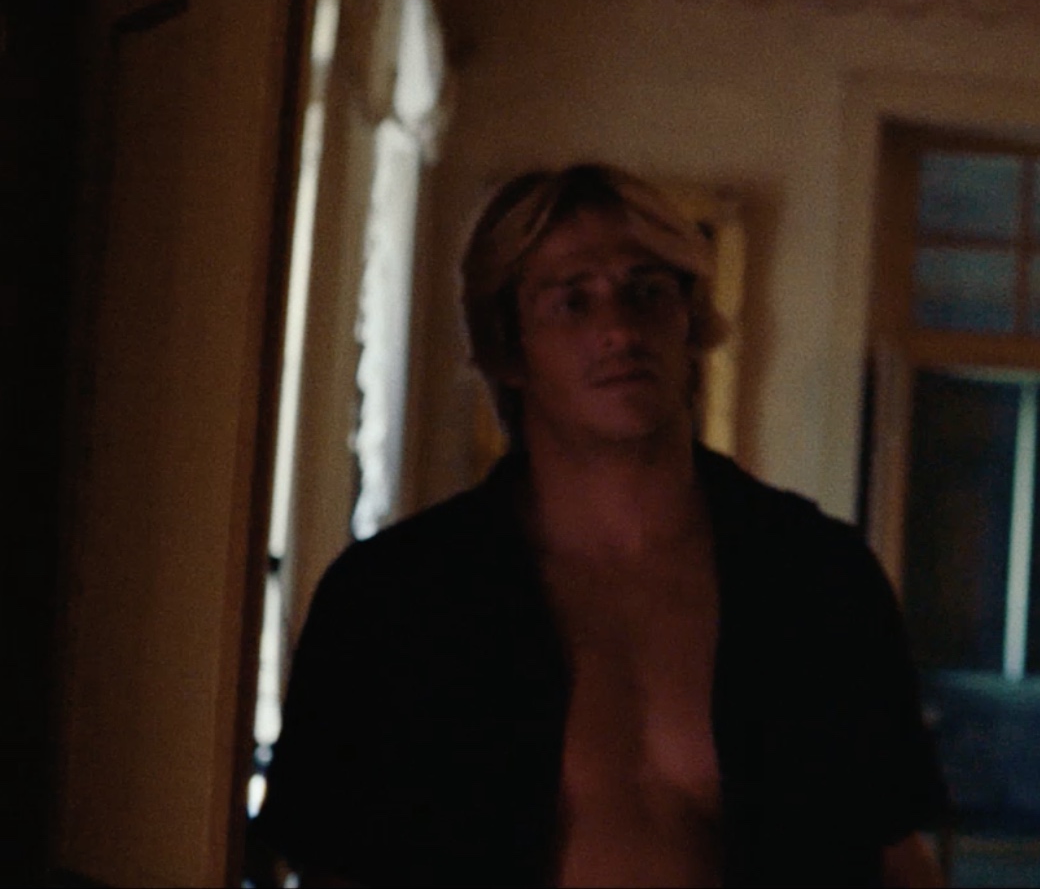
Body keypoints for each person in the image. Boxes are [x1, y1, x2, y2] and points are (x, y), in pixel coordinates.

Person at [256, 165, 947, 887]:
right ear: (508, 346)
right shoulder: (395, 599)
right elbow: (328, 867)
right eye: (572, 301)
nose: (619, 329)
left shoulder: (817, 579)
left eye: (647, 291)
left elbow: (894, 856)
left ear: (689, 318)